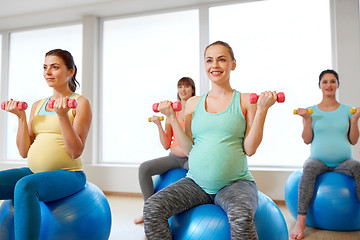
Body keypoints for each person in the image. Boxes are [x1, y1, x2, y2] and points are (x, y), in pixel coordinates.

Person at [143, 41, 279, 239]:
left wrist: (262, 110)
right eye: (209, 60)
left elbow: (250, 149)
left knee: (241, 217)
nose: (215, 65)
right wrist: (172, 117)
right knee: (152, 207)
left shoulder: (245, 100)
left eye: (221, 59)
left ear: (233, 64)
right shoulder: (192, 103)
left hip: (235, 184)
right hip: (196, 182)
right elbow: (189, 149)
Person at [0, 49, 92, 239]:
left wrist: (62, 115)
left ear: (70, 71)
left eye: (55, 67)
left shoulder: (80, 103)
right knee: (21, 182)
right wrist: (21, 118)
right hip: (35, 173)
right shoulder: (38, 105)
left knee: (25, 186)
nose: (48, 72)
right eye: (45, 67)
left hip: (69, 174)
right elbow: (24, 151)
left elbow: (75, 151)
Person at [290, 69, 360, 239]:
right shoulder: (311, 111)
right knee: (309, 168)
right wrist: (306, 119)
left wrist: (355, 119)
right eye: (325, 81)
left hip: (344, 162)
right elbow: (307, 140)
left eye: (332, 81)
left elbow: (353, 140)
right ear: (319, 85)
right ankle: (300, 223)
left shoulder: (347, 111)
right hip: (318, 161)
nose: (329, 85)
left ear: (337, 85)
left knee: (358, 167)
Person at [134, 77, 196, 224]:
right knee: (144, 168)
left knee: (199, 175)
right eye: (180, 86)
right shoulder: (171, 112)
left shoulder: (195, 109)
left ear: (192, 89)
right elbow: (166, 144)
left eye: (186, 86)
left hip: (191, 158)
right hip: (174, 158)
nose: (183, 90)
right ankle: (148, 210)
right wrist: (158, 125)